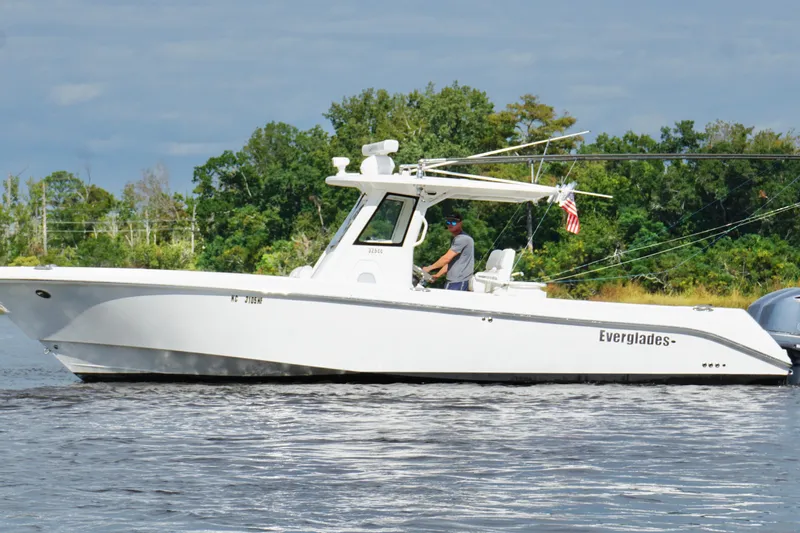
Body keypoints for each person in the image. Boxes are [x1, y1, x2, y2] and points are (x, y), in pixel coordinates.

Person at [423, 213, 475, 291]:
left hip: (458, 281)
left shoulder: (462, 239)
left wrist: (429, 268)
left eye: (453, 222)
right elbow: (451, 262)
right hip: (454, 280)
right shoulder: (457, 238)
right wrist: (437, 275)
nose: (450, 224)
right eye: (448, 222)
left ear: (460, 223)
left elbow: (446, 258)